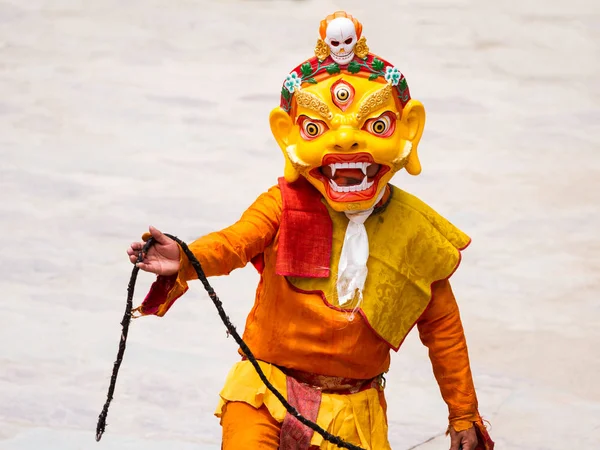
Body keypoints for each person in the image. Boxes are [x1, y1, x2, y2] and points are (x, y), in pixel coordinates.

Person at [126, 11, 494, 450]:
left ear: (409, 129)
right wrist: (186, 258)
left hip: (355, 412)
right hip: (265, 391)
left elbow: (444, 329)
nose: (345, 141)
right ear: (289, 138)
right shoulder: (283, 204)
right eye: (317, 128)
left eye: (375, 126)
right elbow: (235, 243)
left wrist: (463, 414)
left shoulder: (415, 232)